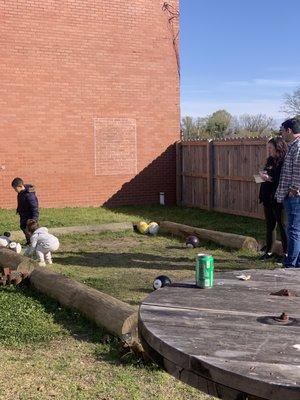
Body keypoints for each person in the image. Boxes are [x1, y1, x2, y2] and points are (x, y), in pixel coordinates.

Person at [275, 118, 300, 268]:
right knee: (294, 229)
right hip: (290, 195)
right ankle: (296, 262)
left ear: (289, 130)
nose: (282, 134)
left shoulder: (298, 147)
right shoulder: (292, 146)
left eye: (283, 131)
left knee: (293, 230)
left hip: (295, 197)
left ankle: (291, 263)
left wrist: (294, 189)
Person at [258, 137, 288, 260]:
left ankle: (286, 253)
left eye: (270, 148)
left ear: (278, 148)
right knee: (270, 225)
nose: (268, 150)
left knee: (283, 226)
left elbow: (282, 179)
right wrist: (262, 175)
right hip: (267, 197)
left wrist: (270, 178)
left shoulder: (284, 161)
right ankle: (269, 251)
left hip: (279, 198)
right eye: (268, 148)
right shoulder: (270, 160)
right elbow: (267, 173)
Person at [11, 177, 39, 245]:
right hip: (23, 214)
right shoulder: (21, 192)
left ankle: (34, 243)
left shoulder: (29, 195)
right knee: (23, 227)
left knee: (30, 230)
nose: (15, 190)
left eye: (15, 188)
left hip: (29, 216)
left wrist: (34, 219)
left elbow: (34, 207)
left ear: (20, 186)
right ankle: (29, 242)